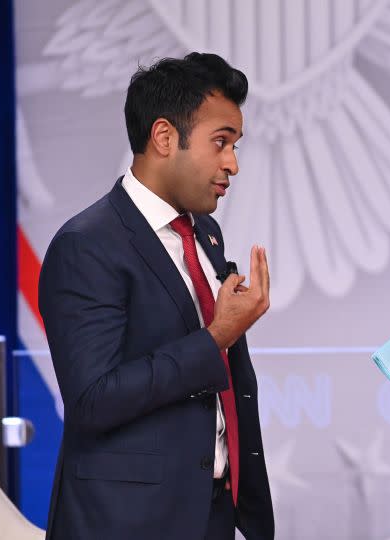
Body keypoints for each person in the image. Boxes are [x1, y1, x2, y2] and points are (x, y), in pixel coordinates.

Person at [38, 52, 273, 540]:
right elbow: (92, 399)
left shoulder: (204, 233)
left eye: (235, 144)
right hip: (126, 521)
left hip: (211, 514)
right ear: (165, 137)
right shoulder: (88, 244)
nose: (233, 162)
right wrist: (216, 337)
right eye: (221, 142)